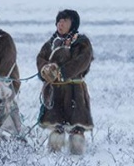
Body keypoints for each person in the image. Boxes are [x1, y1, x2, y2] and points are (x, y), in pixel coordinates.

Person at [36, 9, 94, 155]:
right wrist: (46, 69)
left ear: (72, 24)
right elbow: (41, 58)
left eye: (65, 21)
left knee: (77, 125)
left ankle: (76, 153)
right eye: (59, 21)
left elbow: (82, 62)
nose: (60, 24)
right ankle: (54, 153)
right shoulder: (51, 43)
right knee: (56, 124)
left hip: (75, 89)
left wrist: (62, 72)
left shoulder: (81, 42)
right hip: (54, 90)